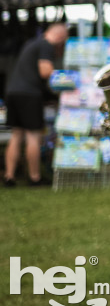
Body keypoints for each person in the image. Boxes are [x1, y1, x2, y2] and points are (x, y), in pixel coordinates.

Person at [4, 21, 67, 186]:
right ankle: (34, 177)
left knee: (17, 135)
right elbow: (45, 71)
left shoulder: (32, 42)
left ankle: (9, 176)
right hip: (29, 94)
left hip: (13, 92)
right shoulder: (46, 45)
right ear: (60, 36)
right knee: (33, 135)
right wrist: (66, 79)